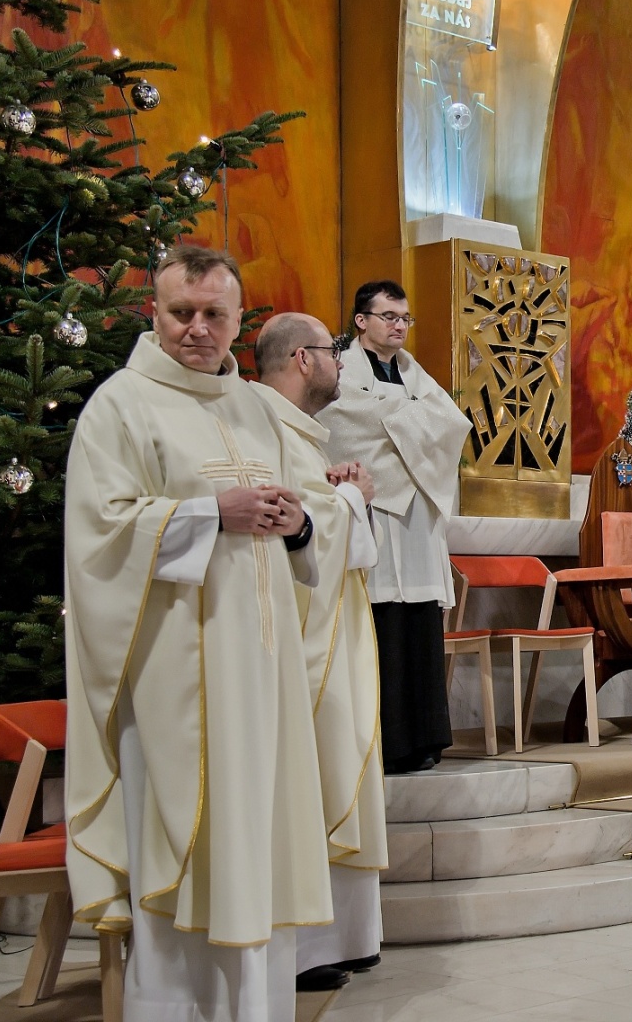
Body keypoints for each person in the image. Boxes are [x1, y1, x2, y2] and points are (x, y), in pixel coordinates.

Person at [64, 247, 330, 1021]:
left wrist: (297, 524)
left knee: (257, 843)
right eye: (182, 312)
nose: (197, 328)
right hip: (174, 676)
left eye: (215, 313)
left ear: (239, 320)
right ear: (155, 311)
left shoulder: (255, 406)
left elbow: (298, 518)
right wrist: (211, 513)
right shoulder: (120, 406)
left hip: (261, 675)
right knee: (184, 840)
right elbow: (100, 534)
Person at [252, 314, 387, 992]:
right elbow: (291, 529)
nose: (341, 361)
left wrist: (338, 495)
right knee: (312, 780)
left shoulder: (297, 432)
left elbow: (312, 517)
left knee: (338, 769)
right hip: (301, 640)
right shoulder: (264, 426)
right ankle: (305, 948)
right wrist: (353, 498)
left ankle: (340, 938)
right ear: (302, 360)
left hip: (332, 629)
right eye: (333, 350)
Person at [319, 281, 470, 775]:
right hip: (374, 508)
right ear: (361, 320)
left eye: (405, 317)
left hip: (416, 515)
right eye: (388, 316)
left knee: (420, 623)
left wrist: (396, 423)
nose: (399, 325)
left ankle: (425, 738)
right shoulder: (341, 371)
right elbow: (342, 423)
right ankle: (386, 742)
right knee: (380, 622)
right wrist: (409, 421)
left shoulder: (413, 372)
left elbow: (451, 423)